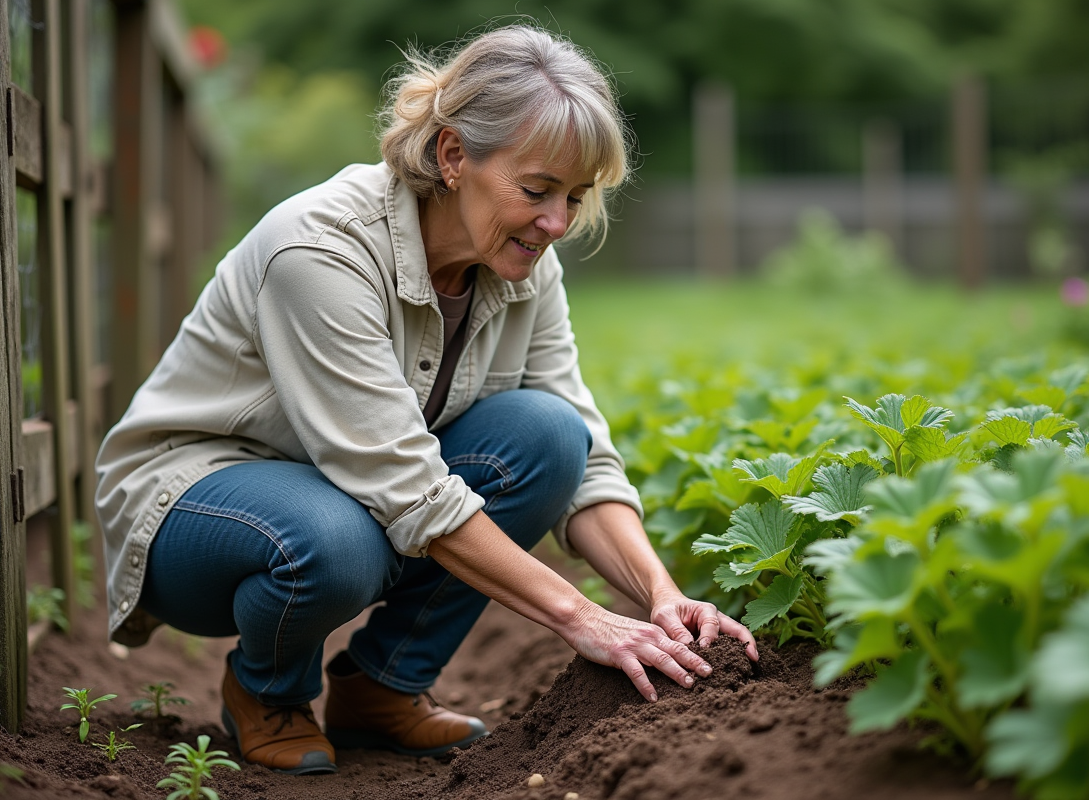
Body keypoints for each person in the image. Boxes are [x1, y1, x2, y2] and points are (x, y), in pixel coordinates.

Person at [95, 24, 758, 776]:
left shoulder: (524, 268)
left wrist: (657, 595)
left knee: (549, 436)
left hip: (347, 493)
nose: (558, 223)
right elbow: (402, 485)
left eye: (576, 197)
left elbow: (586, 465)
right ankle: (267, 692)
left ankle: (382, 689)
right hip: (193, 505)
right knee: (335, 537)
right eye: (537, 190)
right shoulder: (319, 249)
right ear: (452, 157)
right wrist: (584, 619)